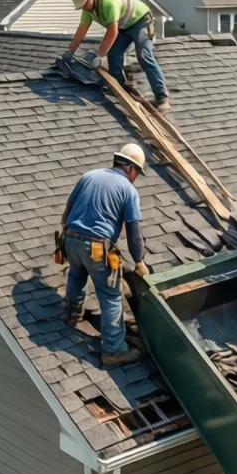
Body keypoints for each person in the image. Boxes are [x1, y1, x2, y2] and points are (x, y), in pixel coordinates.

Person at [62, 144, 149, 368]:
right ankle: (113, 351)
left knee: (76, 275)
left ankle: (73, 313)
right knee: (111, 296)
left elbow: (68, 210)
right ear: (130, 168)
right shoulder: (128, 190)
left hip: (70, 239)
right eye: (138, 172)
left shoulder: (89, 176)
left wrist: (69, 233)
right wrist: (139, 261)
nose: (136, 177)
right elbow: (133, 232)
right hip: (98, 248)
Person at [65, 0, 170, 111]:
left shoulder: (108, 2)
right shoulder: (87, 10)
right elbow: (81, 31)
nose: (84, 8)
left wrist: (99, 56)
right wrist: (70, 51)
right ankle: (120, 87)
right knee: (114, 55)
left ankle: (162, 97)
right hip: (124, 26)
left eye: (85, 4)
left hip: (141, 21)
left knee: (144, 55)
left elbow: (112, 32)